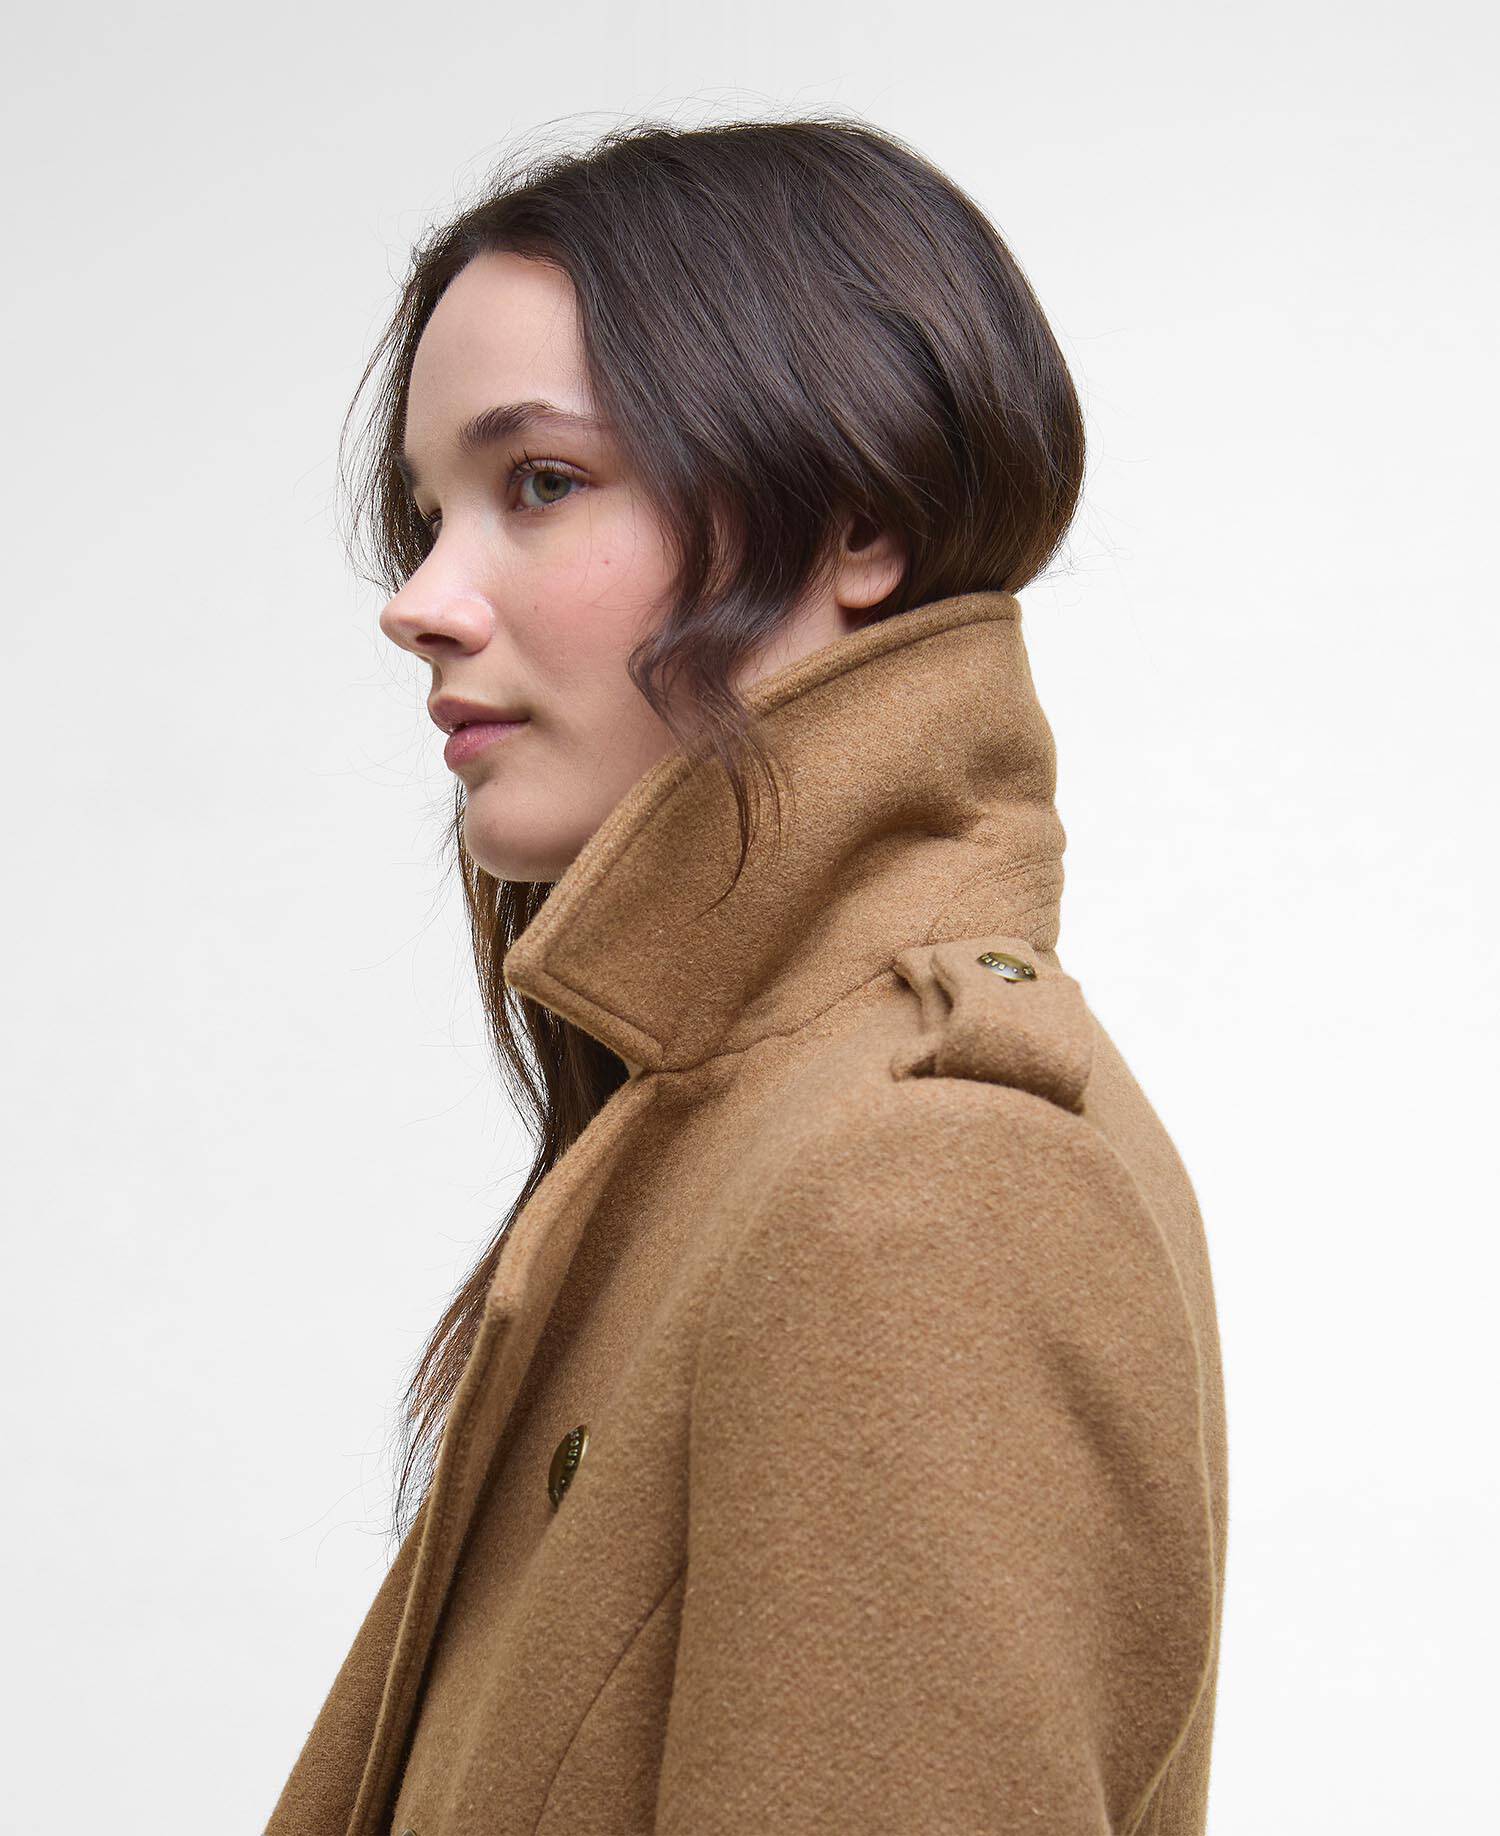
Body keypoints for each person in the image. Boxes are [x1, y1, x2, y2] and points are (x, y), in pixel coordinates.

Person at [265, 113, 1228, 1836]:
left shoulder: (925, 1185)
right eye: (425, 515)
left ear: (856, 516)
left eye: (539, 483)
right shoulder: (736, 1130)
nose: (420, 599)